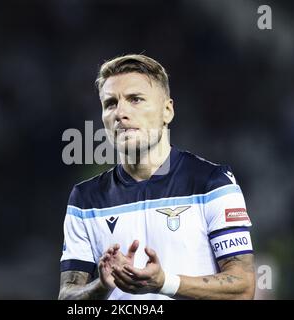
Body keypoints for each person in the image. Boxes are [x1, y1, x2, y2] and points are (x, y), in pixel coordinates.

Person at [58, 54, 255, 300]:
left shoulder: (212, 183)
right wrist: (101, 285)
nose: (120, 113)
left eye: (135, 99)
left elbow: (243, 287)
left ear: (167, 111)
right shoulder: (85, 199)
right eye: (110, 103)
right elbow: (68, 298)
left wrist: (164, 283)